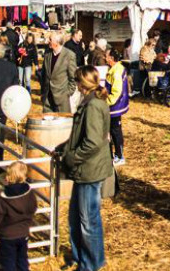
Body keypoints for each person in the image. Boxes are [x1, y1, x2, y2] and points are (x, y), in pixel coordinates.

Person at [55, 67, 113, 271]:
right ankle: (79, 256)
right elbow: (83, 135)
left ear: (82, 83)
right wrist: (64, 147)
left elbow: (93, 142)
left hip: (90, 170)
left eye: (77, 81)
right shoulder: (88, 102)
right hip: (84, 169)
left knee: (89, 220)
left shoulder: (94, 105)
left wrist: (71, 157)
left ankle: (92, 263)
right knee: (75, 218)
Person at [0, 161, 38, 271]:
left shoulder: (4, 198)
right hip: (23, 233)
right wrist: (27, 221)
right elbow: (34, 207)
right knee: (22, 259)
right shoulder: (29, 193)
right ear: (24, 176)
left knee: (8, 262)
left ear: (9, 177)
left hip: (7, 236)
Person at [104, 48, 129, 166]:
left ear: (112, 58)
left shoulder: (116, 71)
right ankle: (117, 154)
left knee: (116, 131)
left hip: (115, 106)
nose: (105, 58)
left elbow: (116, 91)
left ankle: (120, 156)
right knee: (114, 130)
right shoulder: (115, 69)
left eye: (107, 56)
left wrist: (107, 101)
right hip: (114, 106)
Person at [42, 31, 77, 113]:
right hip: (47, 98)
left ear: (57, 42)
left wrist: (67, 93)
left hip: (62, 99)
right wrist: (43, 92)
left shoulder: (69, 55)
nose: (48, 41)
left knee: (62, 123)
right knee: (48, 124)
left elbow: (73, 78)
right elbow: (44, 74)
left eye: (50, 39)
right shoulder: (47, 54)